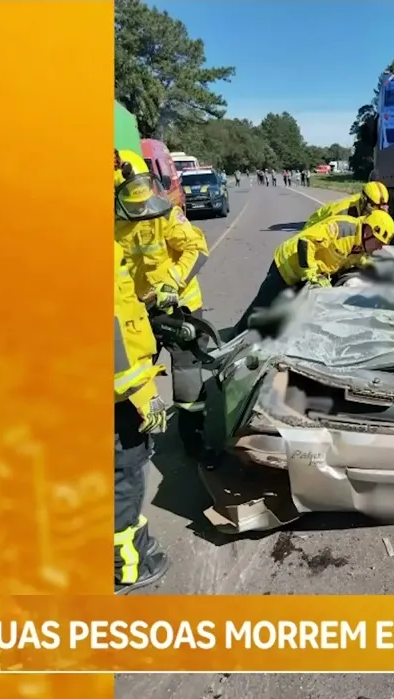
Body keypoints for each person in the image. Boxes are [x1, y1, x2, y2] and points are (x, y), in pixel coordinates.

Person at [114, 149, 214, 459]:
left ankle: (194, 440)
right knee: (133, 377)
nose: (142, 207)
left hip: (179, 306)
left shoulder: (167, 215)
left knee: (187, 376)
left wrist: (172, 280)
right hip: (139, 313)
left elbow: (197, 249)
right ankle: (135, 443)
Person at [113, 241, 171, 594]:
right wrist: (145, 397)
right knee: (125, 473)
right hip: (119, 394)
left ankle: (133, 547)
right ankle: (125, 569)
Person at [235, 210, 394, 333]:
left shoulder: (361, 244)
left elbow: (353, 258)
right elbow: (305, 242)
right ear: (368, 232)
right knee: (260, 310)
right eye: (379, 242)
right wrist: (311, 274)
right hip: (287, 267)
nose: (380, 247)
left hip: (306, 275)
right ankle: (231, 343)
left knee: (288, 319)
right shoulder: (341, 229)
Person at [303, 181, 389, 228]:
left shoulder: (369, 205)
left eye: (383, 206)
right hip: (315, 226)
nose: (378, 211)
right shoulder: (343, 213)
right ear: (364, 201)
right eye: (374, 207)